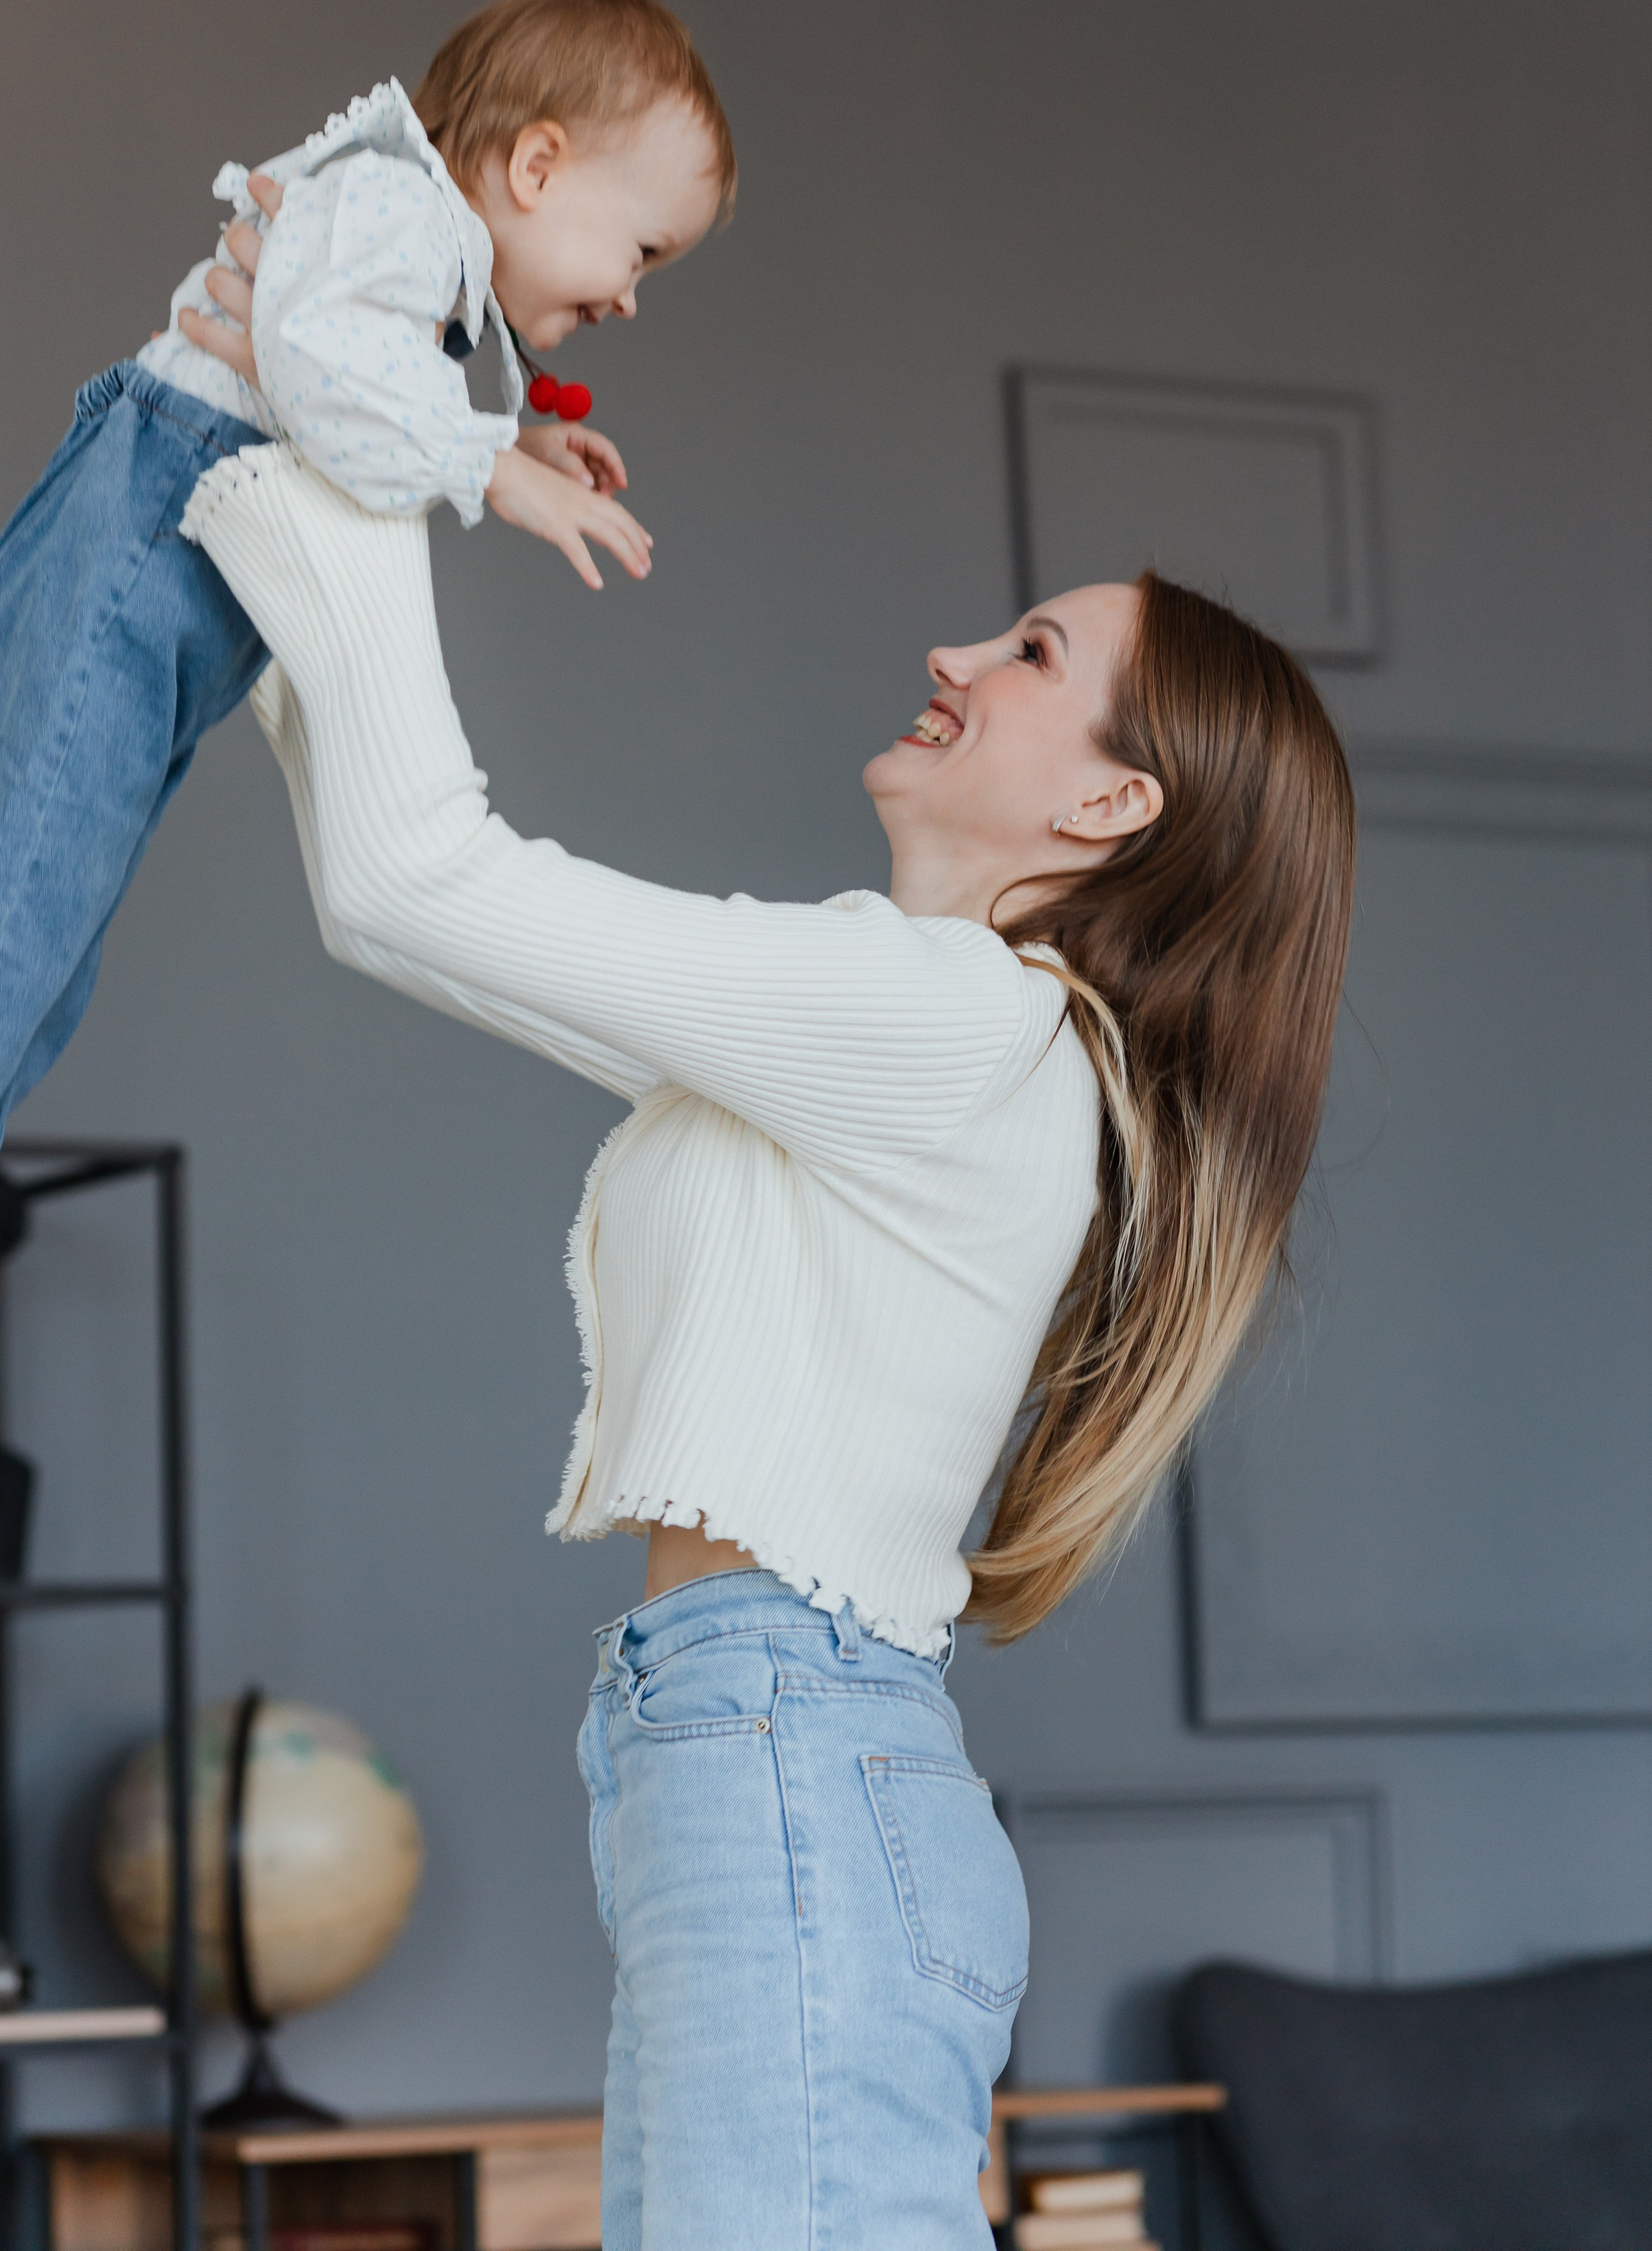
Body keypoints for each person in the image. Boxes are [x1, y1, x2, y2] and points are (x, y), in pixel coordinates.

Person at [170, 205, 1356, 2243]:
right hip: (749, 1743)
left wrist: (312, 448)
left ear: (1106, 814)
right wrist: (277, 467)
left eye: (1033, 656)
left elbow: (418, 884)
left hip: (785, 1750)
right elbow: (413, 889)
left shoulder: (952, 1029)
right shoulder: (912, 1021)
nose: (955, 654)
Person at [0, 0, 733, 1459]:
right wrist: (495, 467)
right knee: (0, 921)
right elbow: (329, 371)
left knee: (41, 966)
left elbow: (343, 353)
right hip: (137, 541)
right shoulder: (397, 209)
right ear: (533, 171)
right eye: (640, 246)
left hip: (156, 562)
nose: (629, 294)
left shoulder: (404, 247)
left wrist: (511, 426)